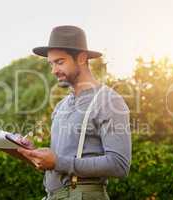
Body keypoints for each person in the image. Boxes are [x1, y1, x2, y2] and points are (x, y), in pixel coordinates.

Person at [7, 25, 131, 200]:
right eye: (51, 64)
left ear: (81, 58)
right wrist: (32, 152)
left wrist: (58, 162)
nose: (54, 70)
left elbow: (119, 165)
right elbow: (58, 159)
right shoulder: (61, 106)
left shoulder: (109, 101)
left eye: (60, 62)